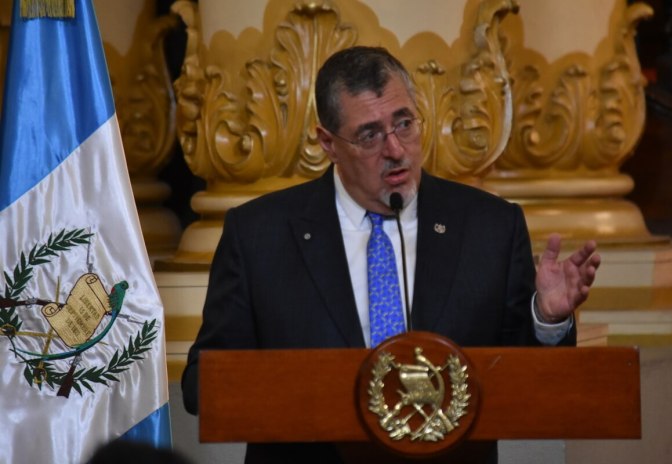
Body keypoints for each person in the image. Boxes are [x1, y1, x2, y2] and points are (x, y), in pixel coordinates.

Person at [181, 46, 601, 463]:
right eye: (370, 134)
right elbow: (203, 385)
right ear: (328, 143)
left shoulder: (489, 227)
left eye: (404, 123)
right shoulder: (260, 235)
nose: (396, 148)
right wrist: (312, 392)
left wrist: (546, 318)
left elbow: (528, 381)